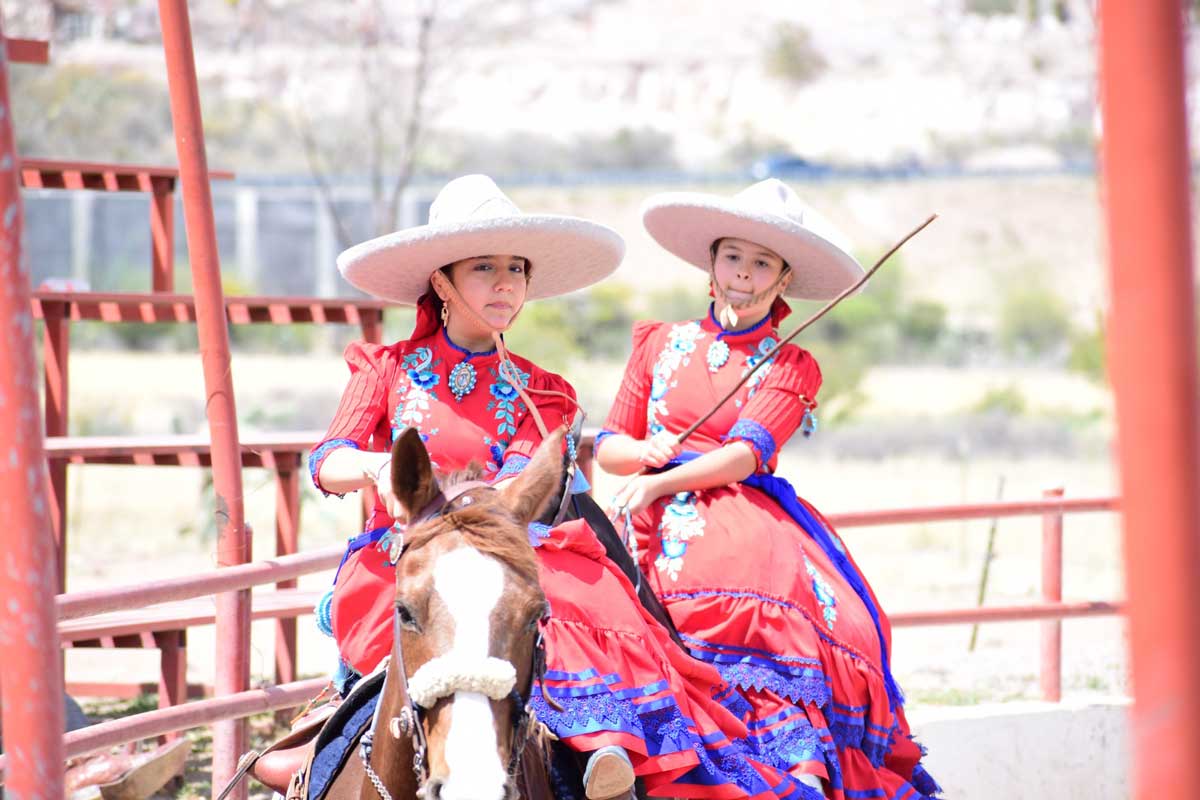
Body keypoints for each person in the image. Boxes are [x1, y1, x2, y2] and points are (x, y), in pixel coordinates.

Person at [309, 175, 813, 800]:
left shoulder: (543, 389)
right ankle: (320, 742)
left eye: (516, 270)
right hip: (408, 552)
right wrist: (375, 467)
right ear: (441, 280)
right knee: (401, 631)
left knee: (585, 602)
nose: (506, 284)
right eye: (484, 268)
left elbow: (523, 479)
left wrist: (486, 509)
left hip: (504, 545)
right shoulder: (384, 370)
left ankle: (600, 748)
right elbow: (327, 457)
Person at [596, 179, 941, 800]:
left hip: (736, 512)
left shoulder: (788, 364)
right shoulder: (657, 344)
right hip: (640, 512)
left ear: (783, 281)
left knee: (743, 579)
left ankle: (781, 763)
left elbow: (743, 455)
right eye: (734, 258)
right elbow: (609, 443)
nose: (744, 276)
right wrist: (641, 455)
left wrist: (662, 483)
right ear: (712, 263)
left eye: (762, 265)